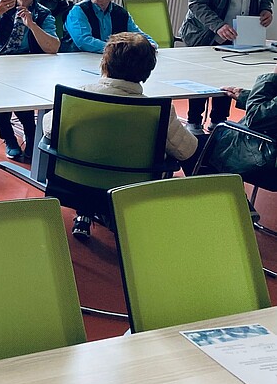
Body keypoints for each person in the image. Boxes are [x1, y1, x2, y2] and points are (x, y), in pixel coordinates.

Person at [42, 33, 199, 240]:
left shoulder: (76, 98)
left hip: (74, 182)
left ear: (104, 63)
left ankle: (85, 212)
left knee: (92, 150)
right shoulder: (158, 111)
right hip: (130, 190)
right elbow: (187, 150)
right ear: (148, 71)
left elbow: (48, 130)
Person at [181, 0, 274, 135]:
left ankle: (218, 120)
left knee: (228, 75)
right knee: (201, 77)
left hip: (241, 32)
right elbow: (196, 3)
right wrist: (218, 26)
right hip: (205, 32)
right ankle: (194, 121)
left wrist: (266, 9)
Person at [0, 0, 59, 161]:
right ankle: (9, 137)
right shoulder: (4, 6)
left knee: (22, 95)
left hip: (27, 63)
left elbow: (53, 47)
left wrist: (32, 24)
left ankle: (30, 132)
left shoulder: (43, 13)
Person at [65, 0, 156, 54]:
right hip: (79, 58)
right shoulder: (78, 10)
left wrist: (150, 44)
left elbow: (138, 35)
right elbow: (83, 41)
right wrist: (117, 49)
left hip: (111, 59)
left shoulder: (121, 13)